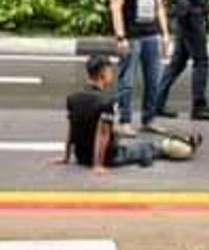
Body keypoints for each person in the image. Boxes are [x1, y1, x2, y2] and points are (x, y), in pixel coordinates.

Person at [57, 55, 201, 173]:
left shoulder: (73, 97)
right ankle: (185, 145)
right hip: (108, 157)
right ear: (102, 74)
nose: (112, 75)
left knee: (132, 143)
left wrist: (66, 157)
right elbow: (103, 135)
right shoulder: (106, 101)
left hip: (81, 156)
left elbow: (72, 130)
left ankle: (180, 143)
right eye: (110, 72)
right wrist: (97, 164)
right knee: (150, 147)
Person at [110, 0, 172, 136]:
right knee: (127, 80)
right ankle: (124, 120)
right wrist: (121, 36)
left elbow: (159, 5)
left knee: (154, 79)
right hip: (132, 35)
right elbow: (116, 7)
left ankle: (149, 118)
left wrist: (165, 34)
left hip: (151, 34)